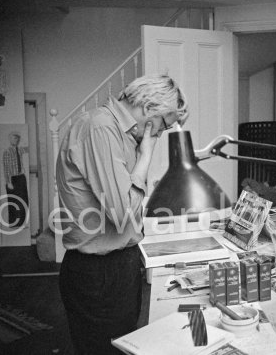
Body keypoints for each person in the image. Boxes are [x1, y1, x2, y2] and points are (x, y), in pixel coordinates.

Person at [56, 74, 188, 355]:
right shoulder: (100, 128)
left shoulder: (124, 134)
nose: (159, 133)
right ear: (149, 106)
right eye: (163, 124)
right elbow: (123, 212)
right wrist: (147, 154)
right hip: (98, 273)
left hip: (118, 265)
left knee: (122, 346)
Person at [2, 130, 29, 228]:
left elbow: (29, 148)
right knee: (14, 202)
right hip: (12, 179)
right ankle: (14, 224)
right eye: (14, 138)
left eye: (17, 138)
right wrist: (8, 182)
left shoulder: (20, 150)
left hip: (21, 178)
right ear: (10, 139)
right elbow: (6, 168)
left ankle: (21, 223)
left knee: (24, 201)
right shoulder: (7, 152)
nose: (16, 140)